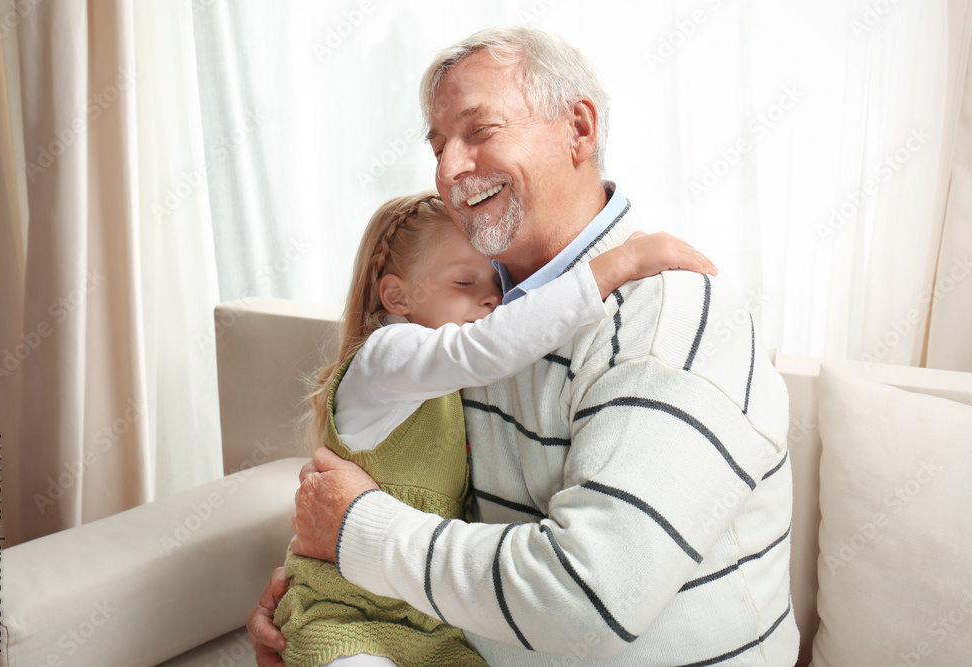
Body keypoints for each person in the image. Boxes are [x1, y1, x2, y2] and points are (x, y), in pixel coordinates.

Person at [252, 27, 799, 666]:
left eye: (480, 131)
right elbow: (421, 500)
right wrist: (320, 603)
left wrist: (358, 534)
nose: (449, 169)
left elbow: (585, 598)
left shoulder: (668, 322)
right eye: (438, 146)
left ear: (579, 129)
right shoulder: (472, 319)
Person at [274, 191, 716, 667]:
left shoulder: (448, 388)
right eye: (464, 282)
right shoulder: (385, 356)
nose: (490, 298)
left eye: (494, 282)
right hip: (347, 613)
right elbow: (490, 346)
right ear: (397, 297)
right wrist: (617, 264)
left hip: (428, 624)